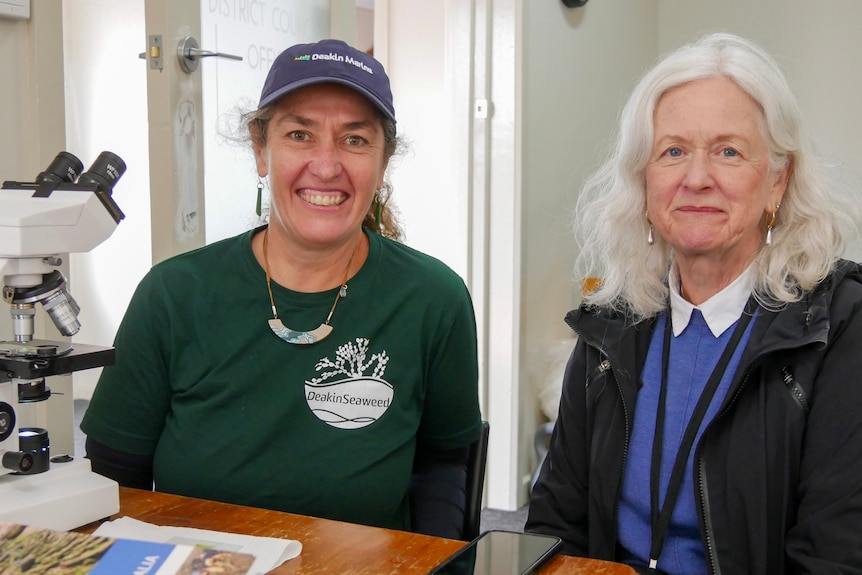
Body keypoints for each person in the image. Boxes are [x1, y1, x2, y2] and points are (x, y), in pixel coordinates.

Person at [81, 39, 483, 540]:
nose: (327, 164)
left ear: (383, 162)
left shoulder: (432, 299)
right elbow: (115, 480)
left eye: (355, 140)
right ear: (260, 148)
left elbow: (445, 469)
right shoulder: (174, 294)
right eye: (299, 134)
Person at [526, 32, 862, 574]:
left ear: (778, 182)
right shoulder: (611, 322)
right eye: (673, 151)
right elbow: (554, 526)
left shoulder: (840, 324)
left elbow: (835, 556)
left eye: (728, 151)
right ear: (644, 180)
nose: (697, 178)